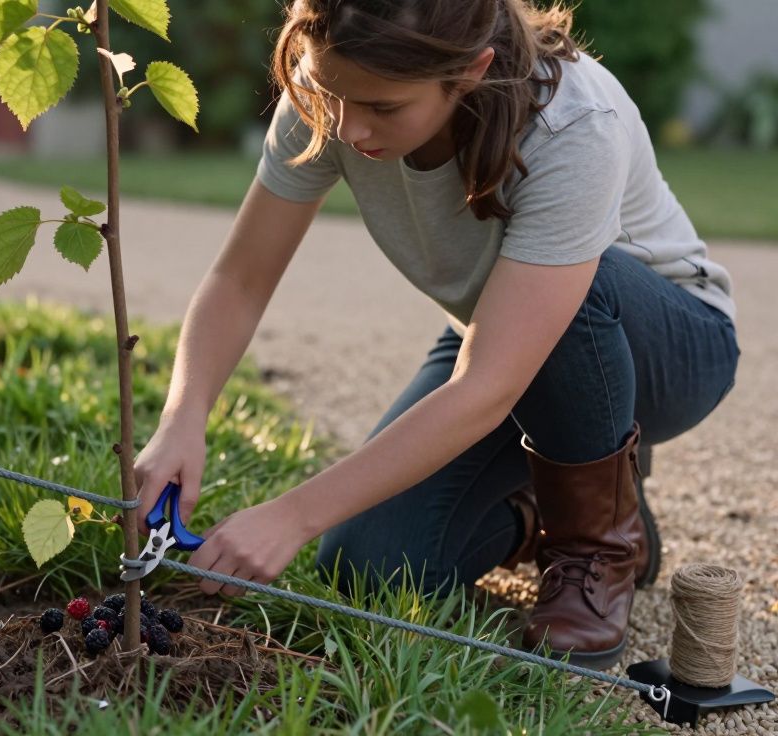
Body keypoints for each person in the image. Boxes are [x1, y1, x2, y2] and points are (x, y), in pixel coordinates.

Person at [130, 0, 739, 669]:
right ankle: (543, 501)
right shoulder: (334, 97)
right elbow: (239, 281)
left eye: (384, 108)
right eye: (327, 92)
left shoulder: (573, 125)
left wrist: (293, 515)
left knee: (580, 287)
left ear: (472, 71)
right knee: (369, 567)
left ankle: (594, 544)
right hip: (500, 335)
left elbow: (486, 386)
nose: (347, 125)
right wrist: (182, 416)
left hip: (666, 350)